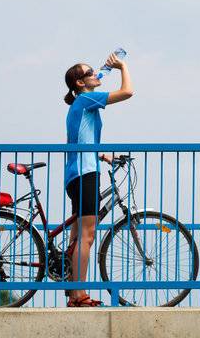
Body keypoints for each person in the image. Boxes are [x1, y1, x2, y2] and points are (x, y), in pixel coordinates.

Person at [62, 52, 133, 308]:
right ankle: (80, 294)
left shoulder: (79, 103)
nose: (95, 74)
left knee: (76, 238)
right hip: (85, 174)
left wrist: (102, 155)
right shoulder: (87, 99)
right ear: (80, 83)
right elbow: (127, 92)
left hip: (76, 173)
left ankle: (73, 293)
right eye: (89, 72)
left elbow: (81, 140)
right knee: (87, 237)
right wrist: (123, 65)